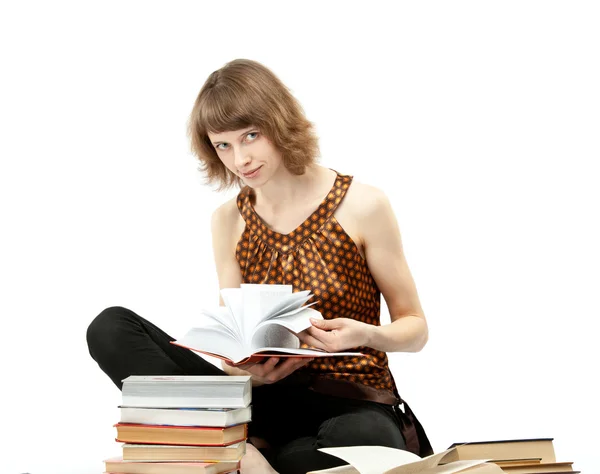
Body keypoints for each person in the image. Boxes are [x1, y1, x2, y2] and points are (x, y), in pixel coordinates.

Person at [86, 59, 433, 474]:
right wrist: (242, 369)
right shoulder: (227, 219)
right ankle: (238, 446)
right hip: (260, 399)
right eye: (224, 145)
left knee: (358, 450)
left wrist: (366, 334)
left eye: (251, 135)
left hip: (352, 399)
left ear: (278, 122)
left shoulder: (362, 204)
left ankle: (246, 456)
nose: (241, 159)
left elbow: (415, 328)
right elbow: (232, 340)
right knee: (111, 327)